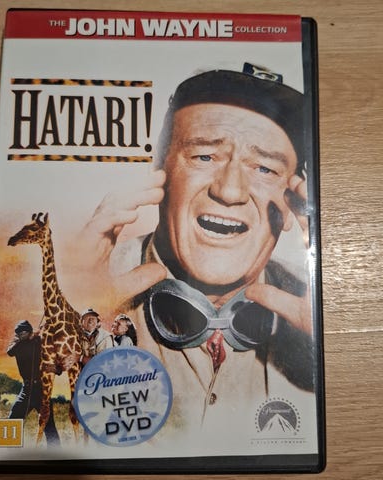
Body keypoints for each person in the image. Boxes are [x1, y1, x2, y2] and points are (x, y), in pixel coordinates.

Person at [79, 65, 317, 447]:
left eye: (264, 168)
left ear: (292, 206)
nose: (230, 191)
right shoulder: (81, 283)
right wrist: (68, 320)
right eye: (204, 156)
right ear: (160, 174)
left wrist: (337, 349)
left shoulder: (316, 306)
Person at [7, 320, 60, 446]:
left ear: (29, 331)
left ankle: (56, 451)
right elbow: (10, 352)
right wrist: (28, 338)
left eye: (23, 333)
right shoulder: (17, 343)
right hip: (26, 390)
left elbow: (57, 366)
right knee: (13, 419)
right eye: (19, 333)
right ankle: (8, 450)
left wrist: (37, 336)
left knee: (48, 424)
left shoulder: (40, 341)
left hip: (42, 390)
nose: (21, 335)